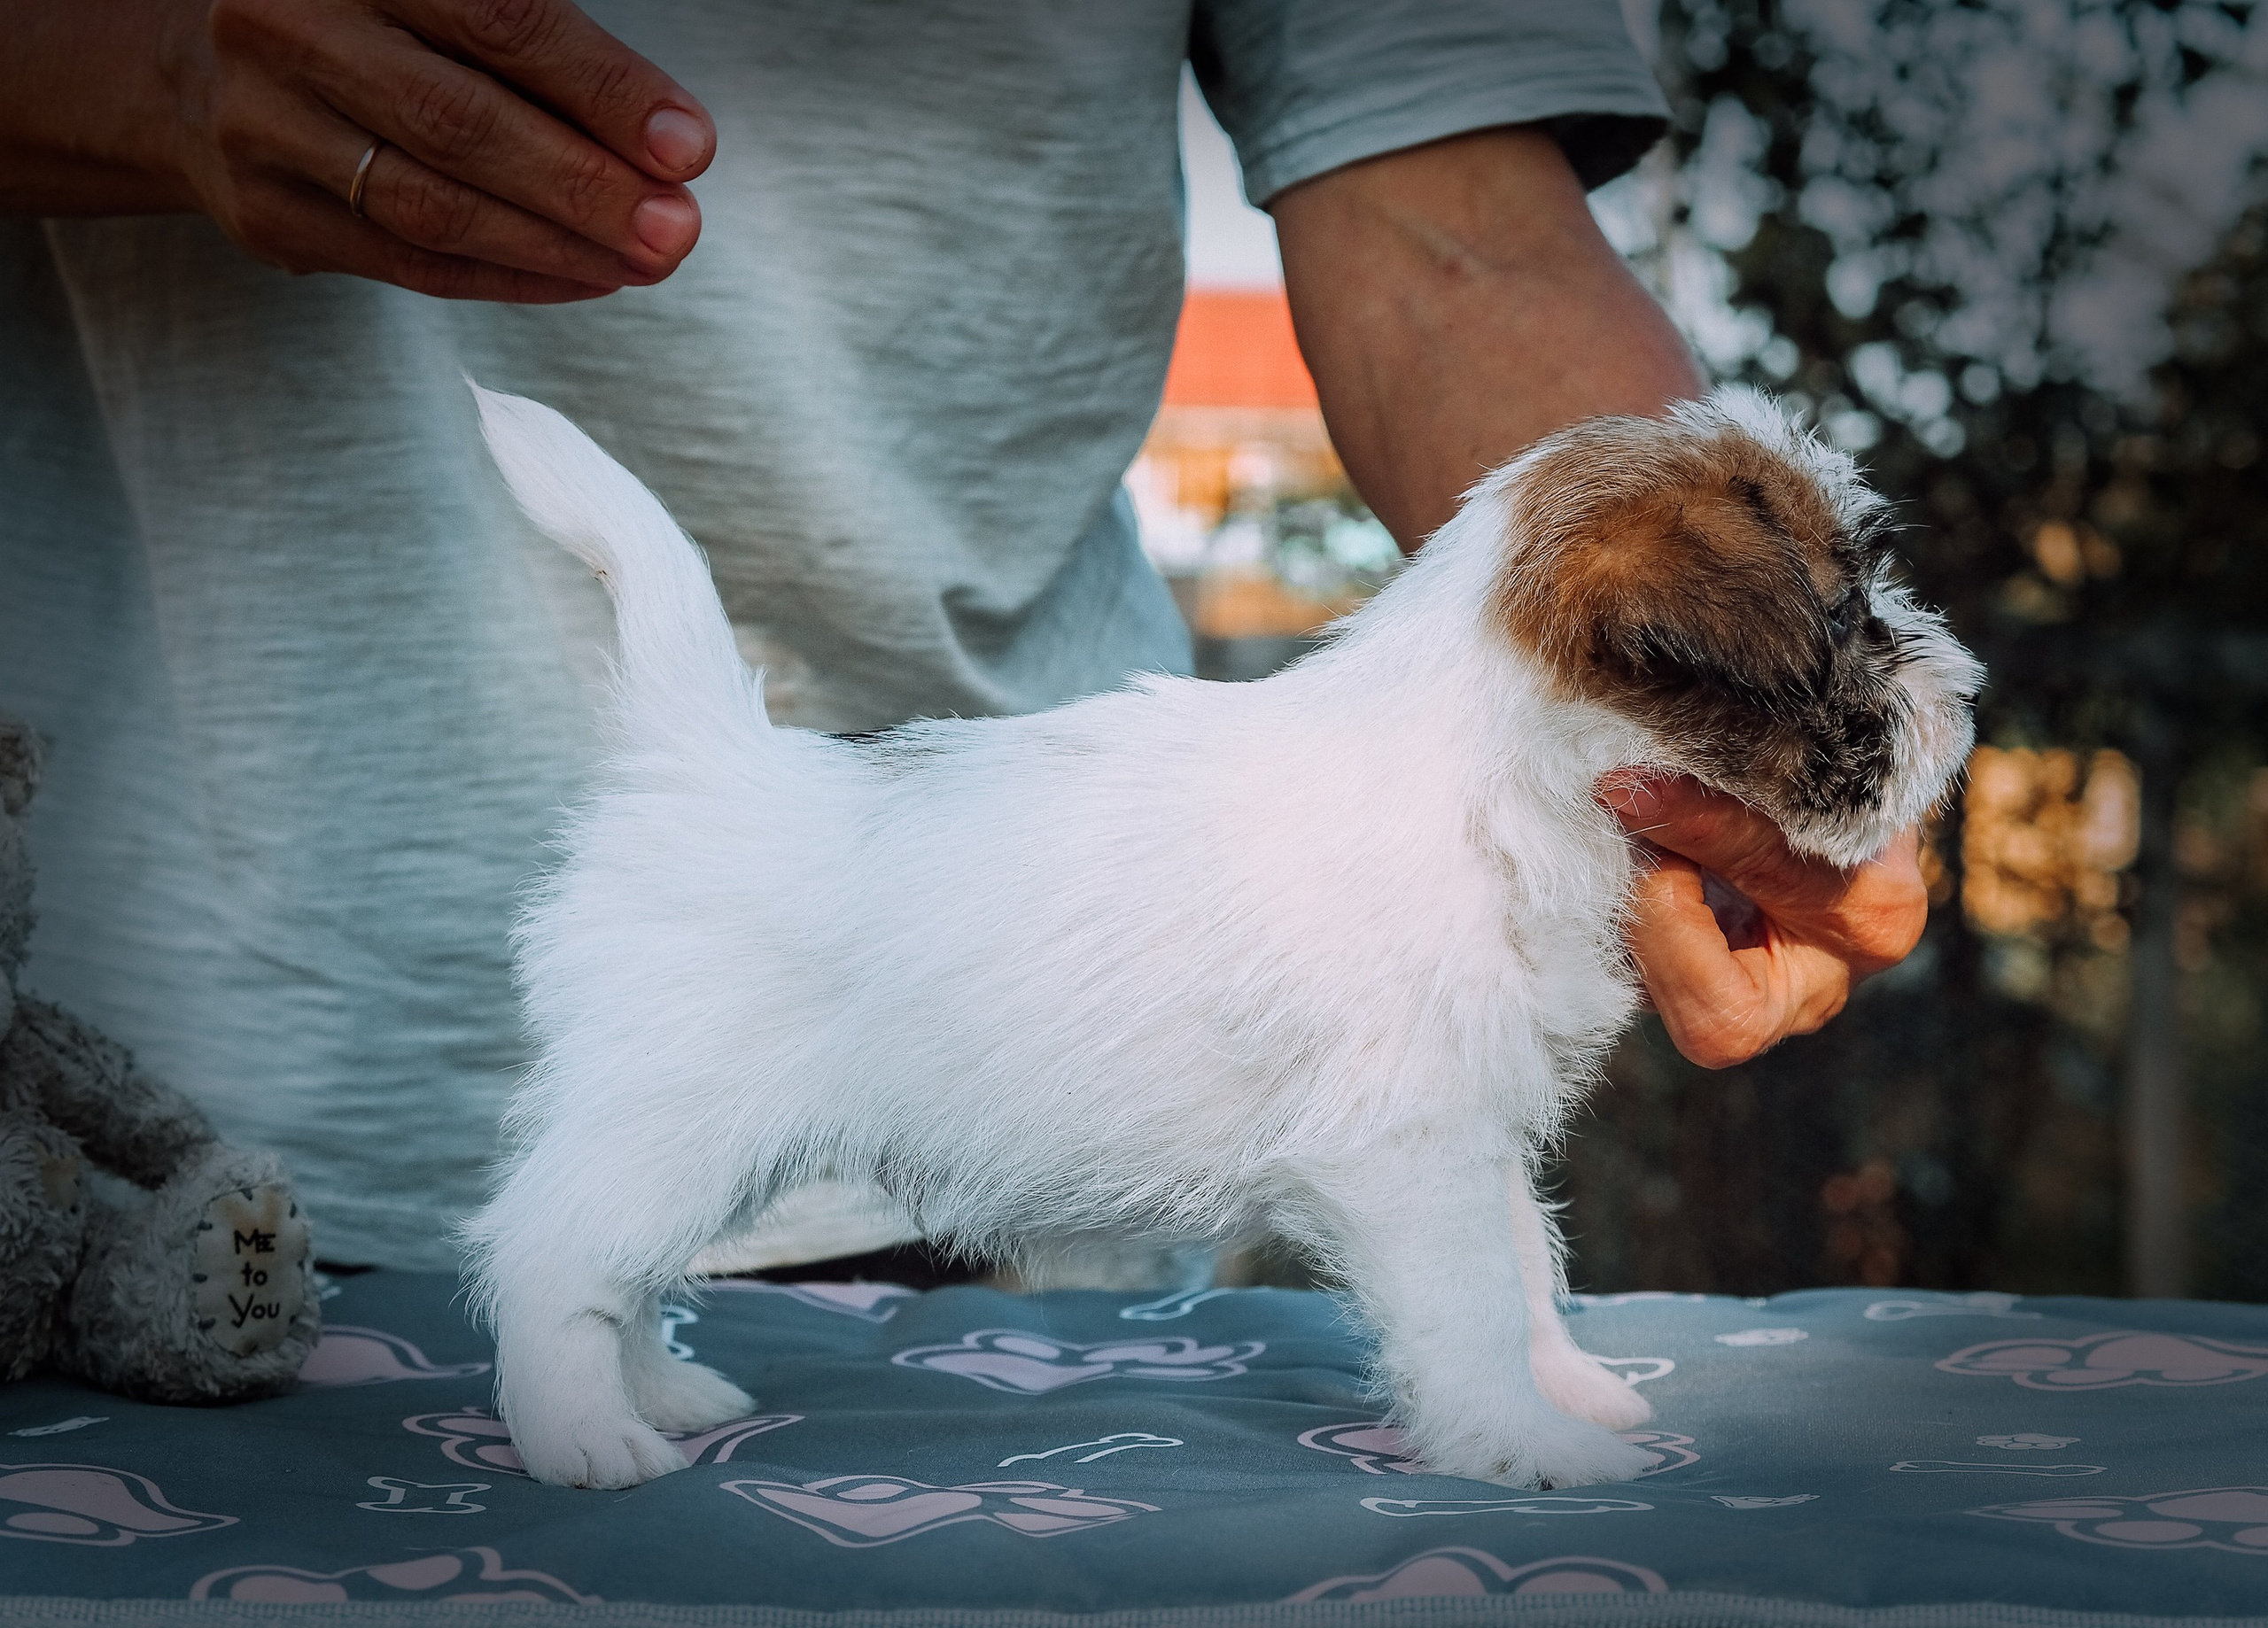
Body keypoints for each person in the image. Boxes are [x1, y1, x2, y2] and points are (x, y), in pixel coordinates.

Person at [0, 0, 1928, 1275]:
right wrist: (131, 60)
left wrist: (1703, 727)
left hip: (1048, 1024)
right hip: (106, 1079)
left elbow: (1454, 231)